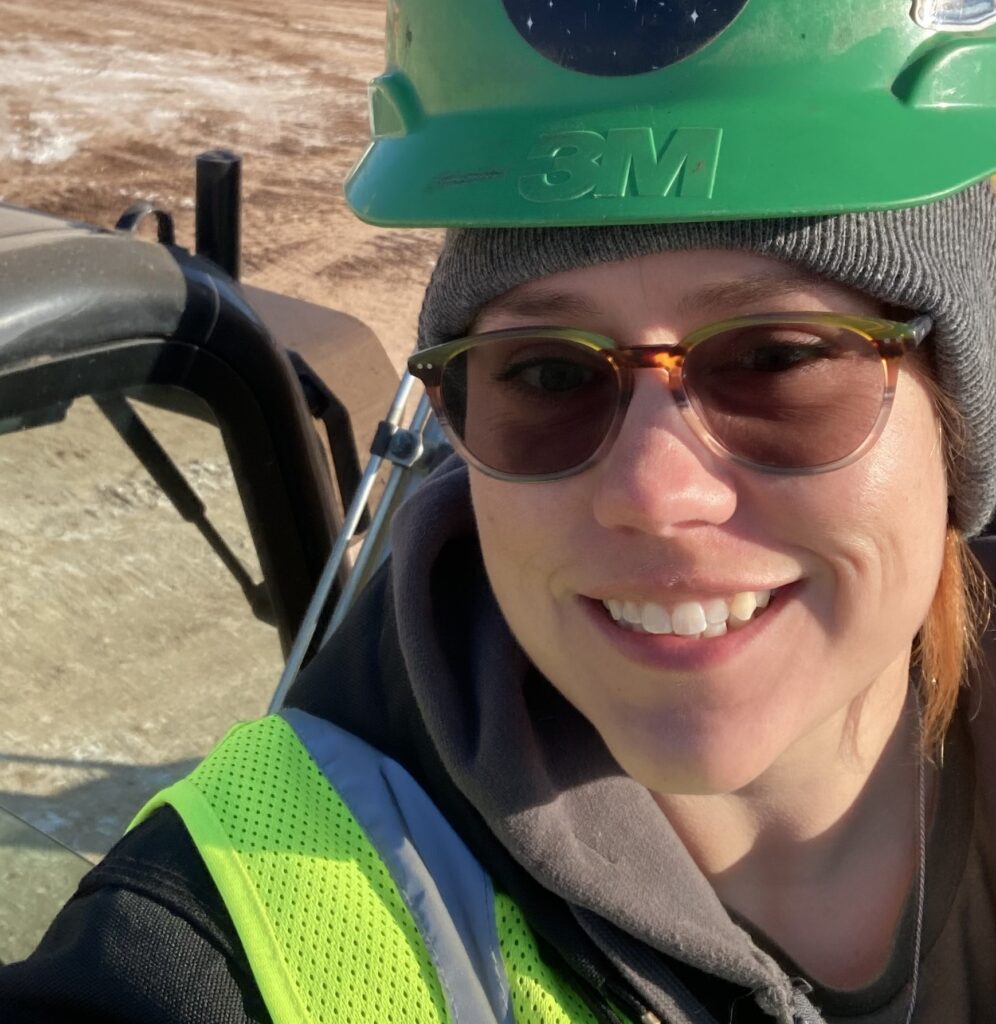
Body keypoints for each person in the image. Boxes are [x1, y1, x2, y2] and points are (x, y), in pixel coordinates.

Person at [3, 2, 996, 1021]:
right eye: (548, 374)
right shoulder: (208, 954)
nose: (654, 495)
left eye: (777, 358)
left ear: (962, 411)